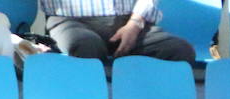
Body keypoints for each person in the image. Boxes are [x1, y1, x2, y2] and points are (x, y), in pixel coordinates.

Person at [38, 0, 195, 62]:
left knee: (179, 50)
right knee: (86, 46)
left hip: (130, 21)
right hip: (69, 20)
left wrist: (135, 24)